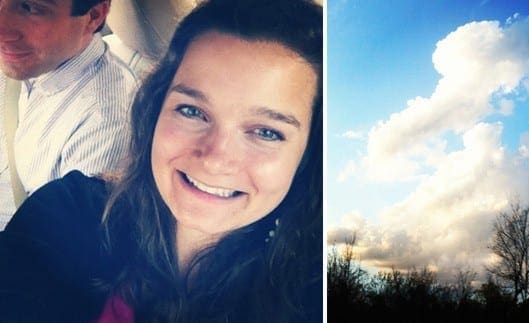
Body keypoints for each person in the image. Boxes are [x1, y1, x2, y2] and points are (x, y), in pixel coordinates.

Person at [0, 0, 323, 321]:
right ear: (154, 111)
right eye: (192, 111)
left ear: (308, 153)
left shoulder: (320, 289)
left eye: (266, 132)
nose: (214, 159)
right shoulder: (65, 213)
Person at [0, 0, 137, 228]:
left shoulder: (105, 122)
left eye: (30, 8)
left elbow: (53, 253)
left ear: (93, 16)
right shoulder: (26, 60)